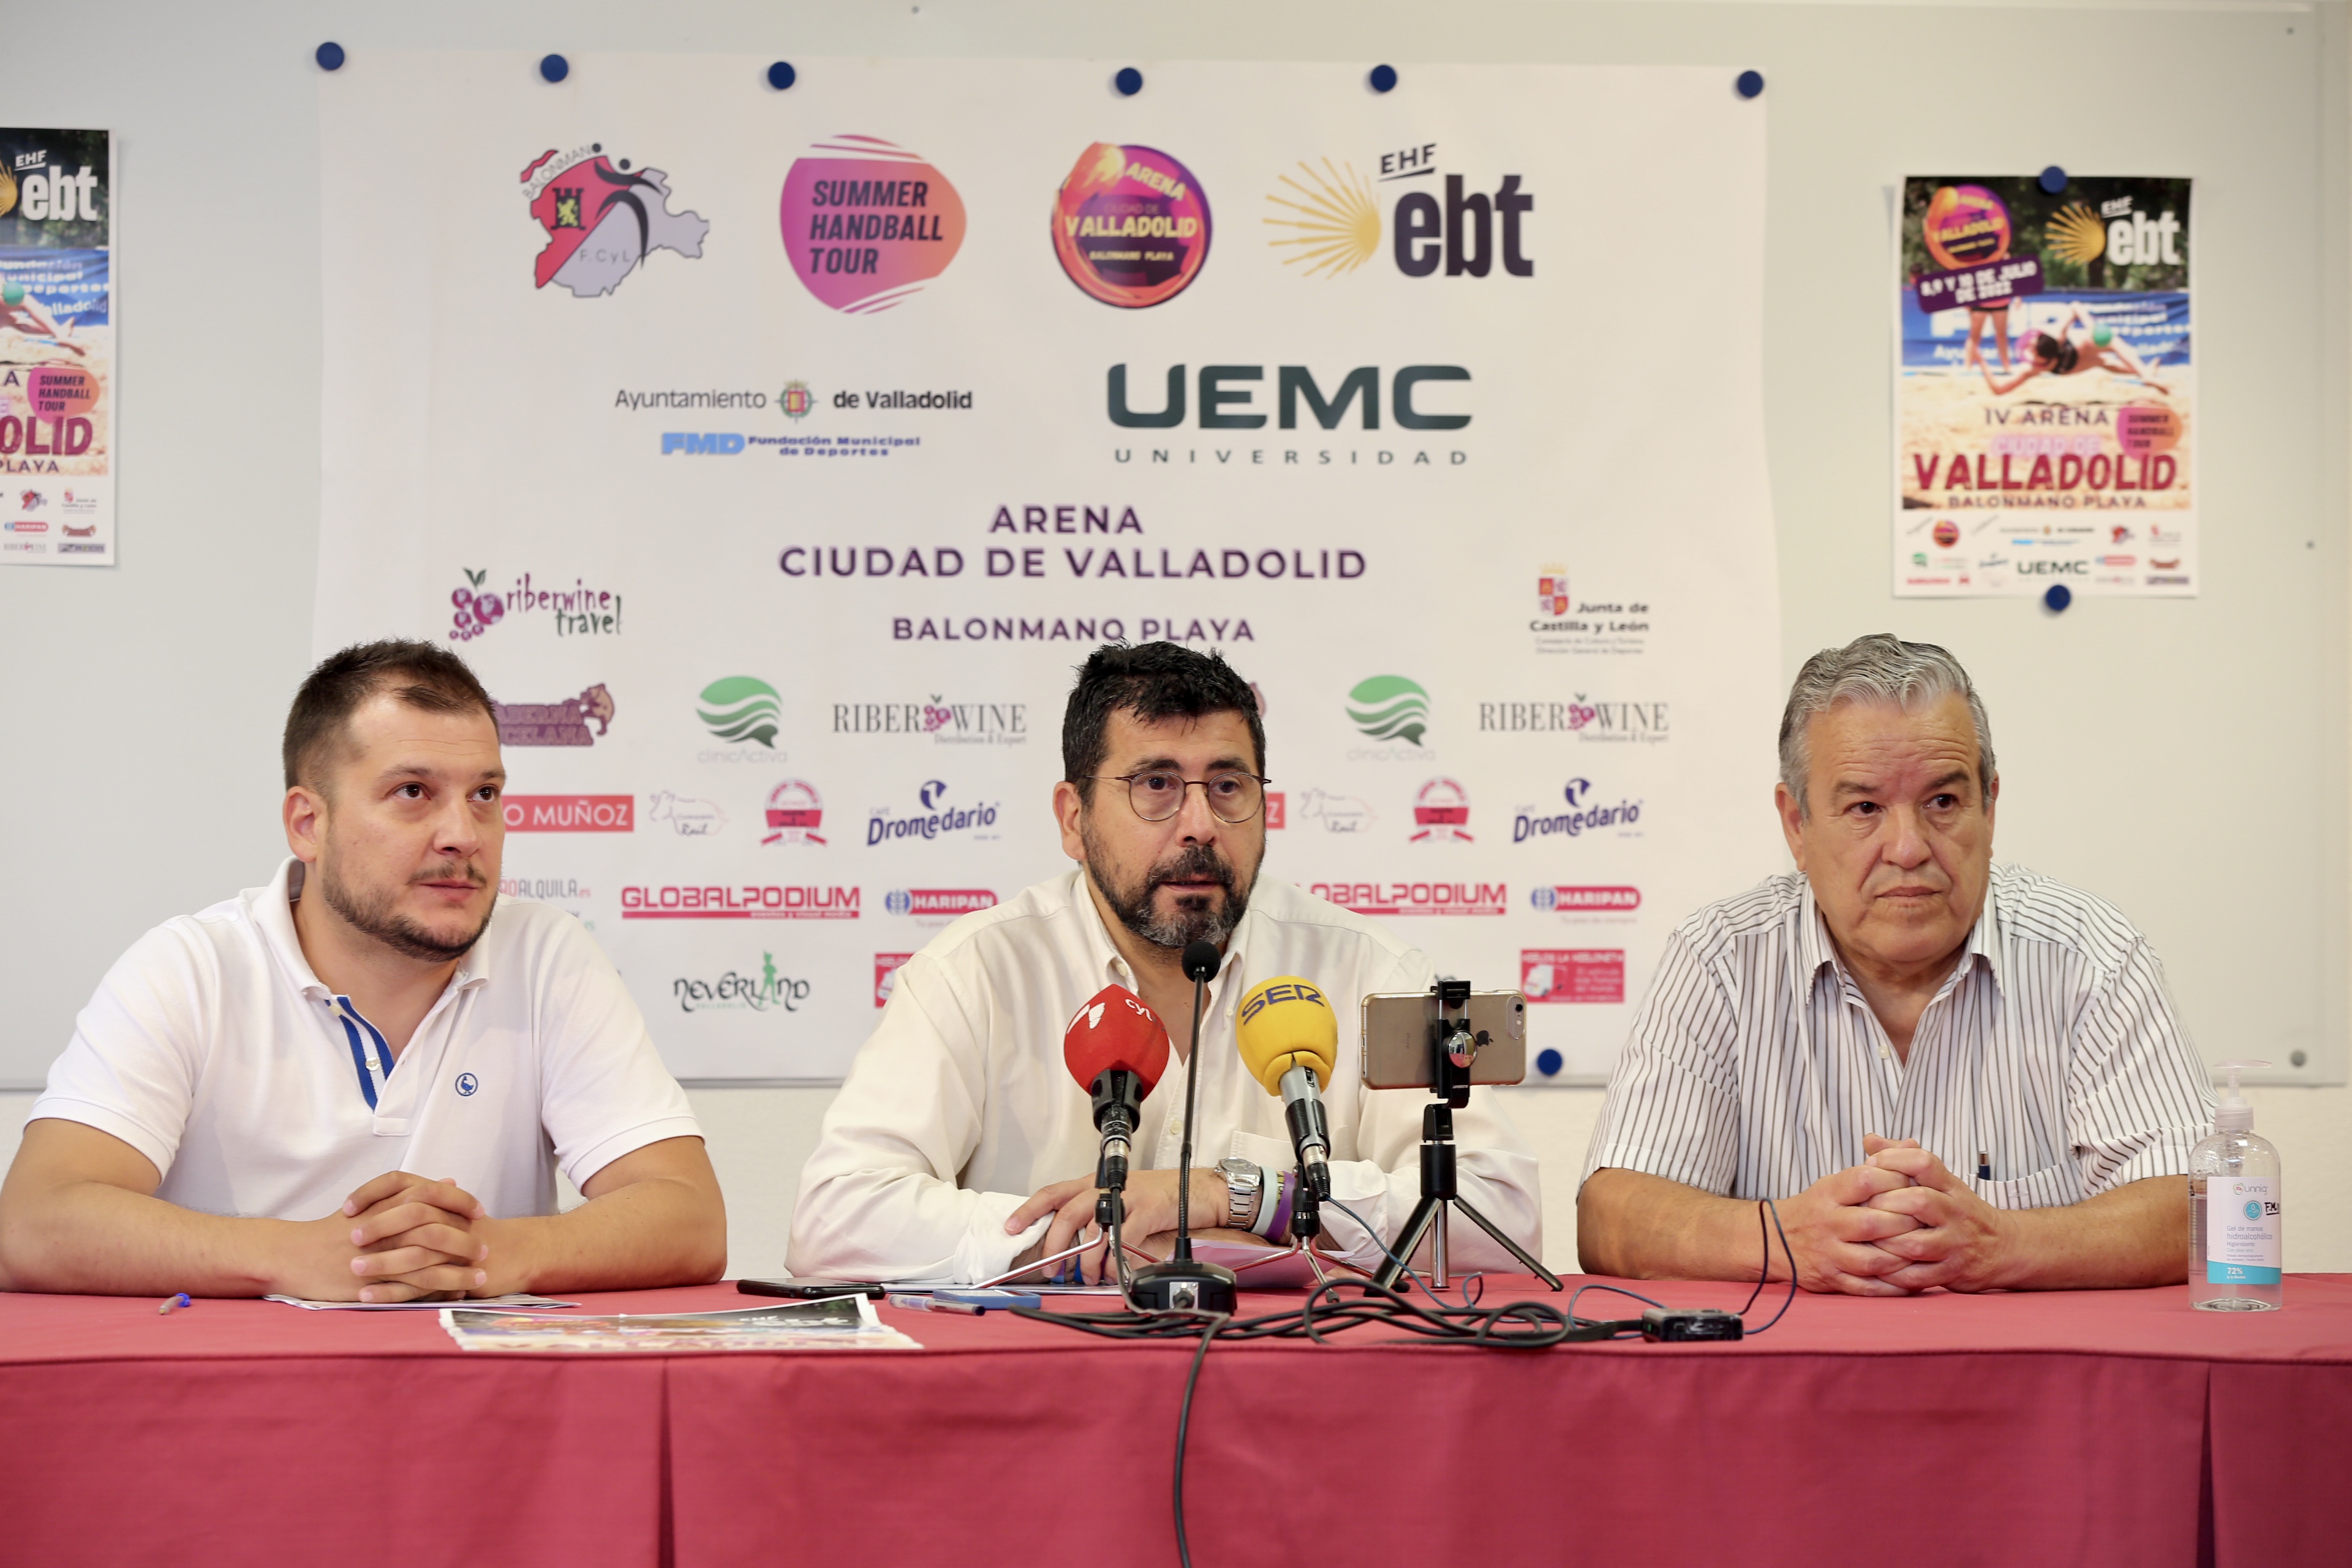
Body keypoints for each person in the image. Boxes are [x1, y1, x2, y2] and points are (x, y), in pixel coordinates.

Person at [789, 641, 1540, 1284]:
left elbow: (1501, 1213)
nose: (1200, 826)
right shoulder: (977, 972)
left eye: (1227, 786)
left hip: (1299, 1399)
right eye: (1155, 785)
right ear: (1074, 819)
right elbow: (835, 1219)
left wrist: (1238, 1199)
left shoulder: (1365, 969)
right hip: (1047, 1400)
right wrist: (1097, 1236)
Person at [0, 640, 726, 1300]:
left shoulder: (546, 954)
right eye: (413, 792)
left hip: (480, 1413)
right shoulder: (191, 967)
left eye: (485, 795)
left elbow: (689, 1218)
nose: (462, 836)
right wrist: (298, 1256)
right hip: (238, 1411)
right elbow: (33, 1221)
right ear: (308, 823)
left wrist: (487, 1252)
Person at [1577, 635, 2212, 1295]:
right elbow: (1612, 1219)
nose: (1908, 847)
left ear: (1989, 807)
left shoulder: (2092, 955)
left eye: (1942, 802)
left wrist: (2002, 1245)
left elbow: (2198, 1209)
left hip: (2032, 1389)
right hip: (1792, 1388)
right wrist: (1784, 1239)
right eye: (1865, 808)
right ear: (1797, 824)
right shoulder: (1720, 960)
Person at [1981, 301, 2169, 396]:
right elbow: (1999, 389)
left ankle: (2145, 374)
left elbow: (2076, 307)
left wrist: (2091, 327)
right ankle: (2145, 374)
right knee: (2104, 361)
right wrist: (1982, 363)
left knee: (2108, 352)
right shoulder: (2030, 367)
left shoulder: (2057, 335)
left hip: (2071, 354)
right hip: (2066, 366)